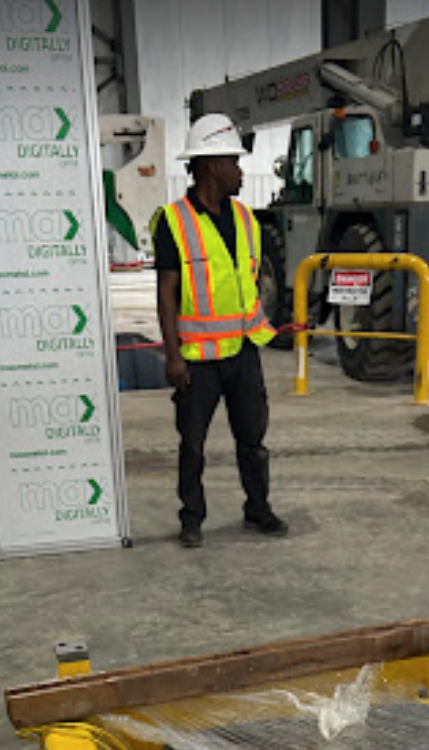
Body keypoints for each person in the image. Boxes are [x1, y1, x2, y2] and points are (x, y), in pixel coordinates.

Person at [154, 114, 288, 548]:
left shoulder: (247, 220)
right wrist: (173, 355)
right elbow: (166, 291)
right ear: (211, 166)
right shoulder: (173, 221)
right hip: (197, 359)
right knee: (193, 445)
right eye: (234, 161)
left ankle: (258, 508)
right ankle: (192, 518)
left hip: (243, 353)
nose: (240, 171)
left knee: (253, 440)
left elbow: (246, 283)